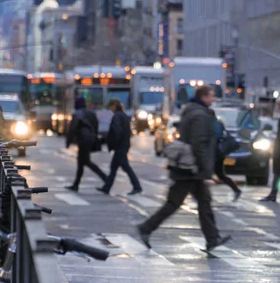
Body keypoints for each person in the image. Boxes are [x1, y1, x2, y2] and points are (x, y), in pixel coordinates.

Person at [136, 86, 231, 252]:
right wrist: (206, 171)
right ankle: (146, 228)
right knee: (174, 203)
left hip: (191, 168)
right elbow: (199, 144)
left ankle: (212, 238)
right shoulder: (200, 115)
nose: (213, 99)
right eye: (211, 96)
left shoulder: (193, 111)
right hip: (190, 169)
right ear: (203, 96)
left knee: (204, 202)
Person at [97, 98, 142, 195]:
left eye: (110, 107)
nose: (110, 110)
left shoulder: (116, 116)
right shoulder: (124, 115)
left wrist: (111, 142)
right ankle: (106, 187)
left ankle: (137, 186)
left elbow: (116, 132)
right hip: (124, 145)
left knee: (125, 167)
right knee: (114, 167)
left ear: (114, 106)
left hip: (120, 146)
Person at [66, 97, 107, 192]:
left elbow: (72, 129)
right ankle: (76, 184)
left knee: (86, 162)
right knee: (82, 162)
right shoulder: (91, 113)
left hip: (83, 140)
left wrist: (68, 142)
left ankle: (106, 178)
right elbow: (96, 126)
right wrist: (94, 137)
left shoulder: (77, 114)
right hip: (90, 139)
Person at [212, 109, 242, 201]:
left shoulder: (214, 123)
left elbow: (215, 137)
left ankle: (202, 196)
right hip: (218, 153)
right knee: (220, 175)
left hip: (215, 153)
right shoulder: (217, 122)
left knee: (204, 173)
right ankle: (236, 190)